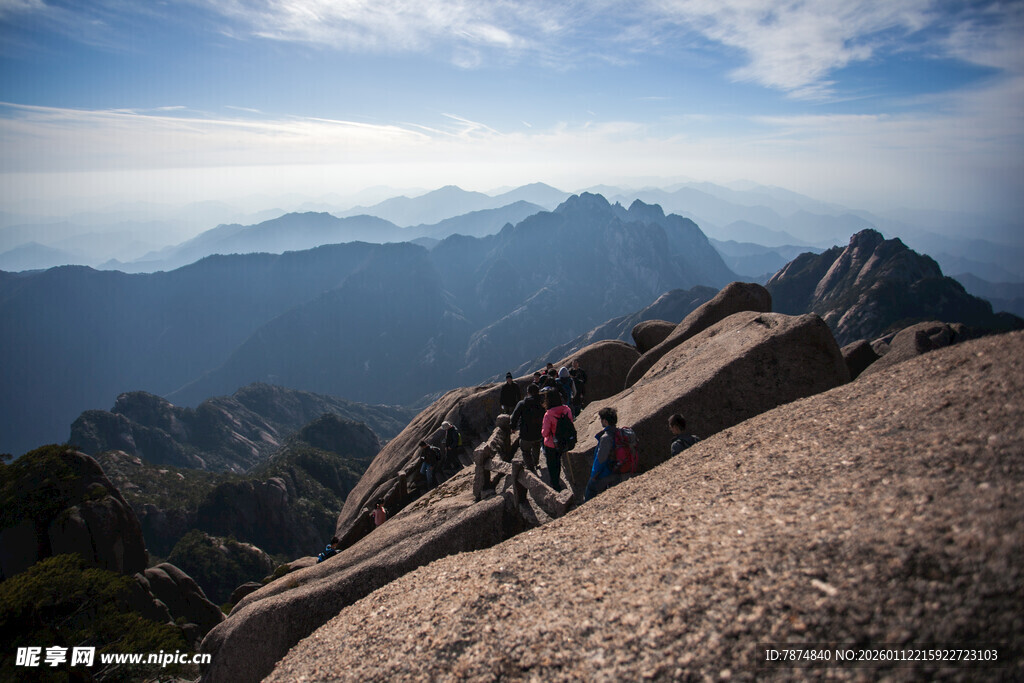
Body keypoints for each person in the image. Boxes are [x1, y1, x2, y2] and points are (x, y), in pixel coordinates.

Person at [540, 388, 573, 492]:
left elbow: (545, 433)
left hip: (551, 444)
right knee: (558, 462)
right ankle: (557, 480)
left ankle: (555, 485)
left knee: (551, 465)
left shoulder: (548, 414)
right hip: (563, 441)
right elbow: (570, 423)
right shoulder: (567, 410)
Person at [585, 407, 620, 501]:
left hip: (607, 472)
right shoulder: (618, 432)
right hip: (618, 467)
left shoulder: (606, 437)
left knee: (590, 489)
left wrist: (593, 475)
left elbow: (601, 459)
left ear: (605, 421)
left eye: (601, 419)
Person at [510, 383, 545, 472]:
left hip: (526, 433)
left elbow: (515, 416)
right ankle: (535, 462)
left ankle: (530, 468)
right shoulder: (542, 403)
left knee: (525, 452)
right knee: (536, 447)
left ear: (528, 392)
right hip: (539, 432)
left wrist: (513, 427)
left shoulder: (522, 403)